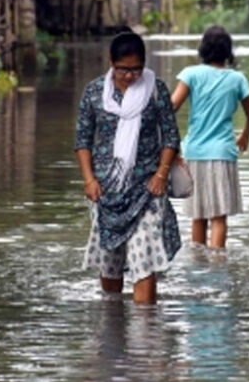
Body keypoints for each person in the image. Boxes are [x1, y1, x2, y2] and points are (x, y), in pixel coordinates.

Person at [75, 32, 181, 304]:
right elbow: (83, 141)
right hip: (106, 191)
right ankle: (112, 324)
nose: (130, 76)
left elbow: (170, 137)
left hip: (146, 188)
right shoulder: (94, 92)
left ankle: (146, 334)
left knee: (143, 258)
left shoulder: (156, 91)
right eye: (123, 69)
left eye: (136, 69)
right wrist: (89, 180)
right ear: (111, 62)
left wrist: (161, 174)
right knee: (110, 260)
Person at [171, 25, 249, 249]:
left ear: (203, 50)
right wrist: (245, 136)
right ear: (228, 52)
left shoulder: (191, 74)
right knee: (219, 217)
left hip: (194, 152)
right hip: (222, 153)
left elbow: (171, 107)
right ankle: (218, 267)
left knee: (197, 215)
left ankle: (199, 266)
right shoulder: (237, 79)